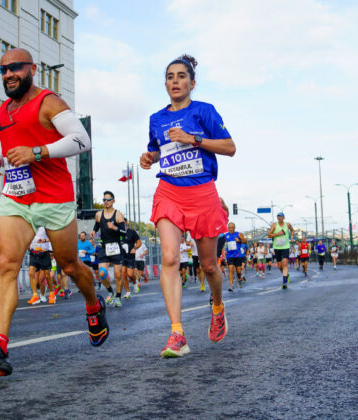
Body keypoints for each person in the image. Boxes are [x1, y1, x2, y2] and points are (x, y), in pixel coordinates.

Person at [0, 48, 107, 376]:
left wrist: (38, 152)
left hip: (54, 197)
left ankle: (93, 304)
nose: (8, 74)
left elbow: (81, 140)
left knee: (71, 266)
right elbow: (8, 149)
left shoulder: (48, 102)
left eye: (15, 68)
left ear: (32, 69)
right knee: (6, 264)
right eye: (3, 69)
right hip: (16, 196)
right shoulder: (3, 110)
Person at [140, 54, 235, 358]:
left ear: (192, 83)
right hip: (169, 190)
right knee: (169, 258)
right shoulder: (157, 118)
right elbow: (157, 149)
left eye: (181, 76)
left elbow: (229, 147)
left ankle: (217, 305)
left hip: (202, 193)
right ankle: (177, 333)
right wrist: (148, 158)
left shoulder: (204, 111)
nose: (175, 81)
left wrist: (193, 139)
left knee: (208, 265)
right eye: (170, 76)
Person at [94, 191, 127, 307]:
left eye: (108, 199)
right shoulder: (98, 214)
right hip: (104, 247)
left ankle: (118, 297)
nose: (106, 202)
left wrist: (114, 227)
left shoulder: (118, 215)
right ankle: (110, 291)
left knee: (118, 275)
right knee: (102, 274)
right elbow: (97, 225)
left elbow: (124, 231)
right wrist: (94, 231)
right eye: (104, 200)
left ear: (113, 201)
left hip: (116, 246)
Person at [267, 212, 294, 289]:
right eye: (278, 216)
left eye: (281, 216)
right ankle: (286, 275)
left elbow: (292, 230)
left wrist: (291, 237)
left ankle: (284, 281)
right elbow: (269, 235)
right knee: (279, 266)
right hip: (277, 247)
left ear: (284, 218)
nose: (279, 218)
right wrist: (277, 234)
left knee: (285, 263)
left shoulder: (288, 224)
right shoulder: (274, 225)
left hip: (285, 246)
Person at [26, 227, 52, 305]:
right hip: (34, 254)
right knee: (34, 277)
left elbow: (52, 239)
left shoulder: (45, 227)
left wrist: (44, 242)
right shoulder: (30, 228)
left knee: (41, 279)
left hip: (44, 254)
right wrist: (28, 247)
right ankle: (35, 295)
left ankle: (44, 295)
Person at [223, 222, 247, 291]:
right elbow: (221, 243)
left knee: (238, 271)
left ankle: (239, 278)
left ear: (234, 228)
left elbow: (245, 241)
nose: (231, 229)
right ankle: (231, 285)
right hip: (230, 255)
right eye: (229, 228)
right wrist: (223, 249)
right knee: (231, 269)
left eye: (232, 228)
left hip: (238, 255)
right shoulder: (226, 235)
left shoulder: (238, 234)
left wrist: (239, 240)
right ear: (228, 228)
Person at [120, 219, 141, 298]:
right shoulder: (117, 232)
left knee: (130, 274)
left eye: (122, 222)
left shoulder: (132, 232)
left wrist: (134, 248)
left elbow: (139, 242)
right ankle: (128, 292)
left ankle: (135, 282)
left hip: (130, 257)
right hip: (122, 257)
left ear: (126, 222)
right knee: (123, 274)